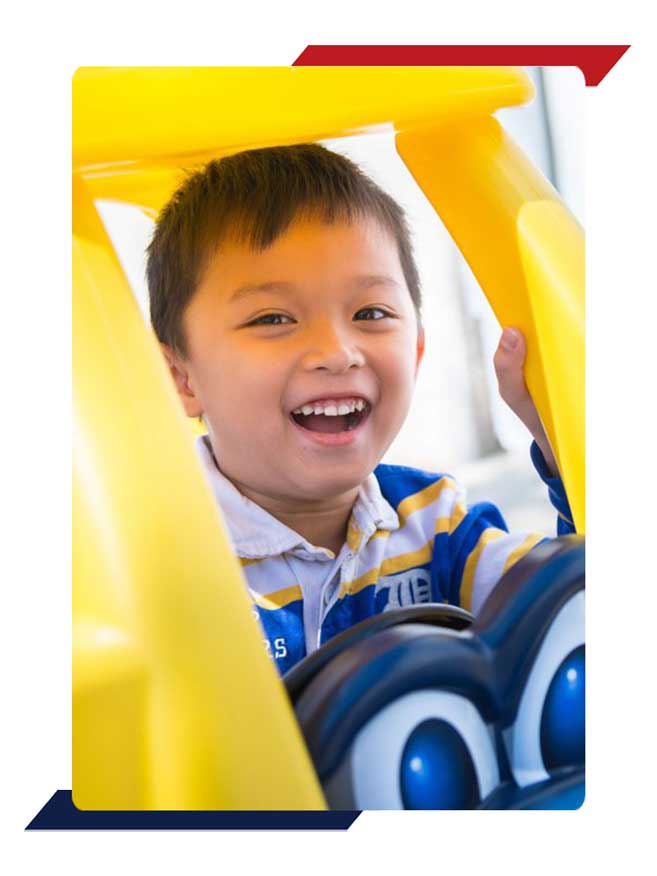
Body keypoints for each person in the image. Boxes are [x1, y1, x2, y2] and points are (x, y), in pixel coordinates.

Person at [146, 143, 574, 675]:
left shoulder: (438, 524)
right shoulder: (157, 561)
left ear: (416, 351)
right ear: (181, 378)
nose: (336, 352)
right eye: (273, 319)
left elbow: (574, 618)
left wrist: (564, 442)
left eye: (370, 312)